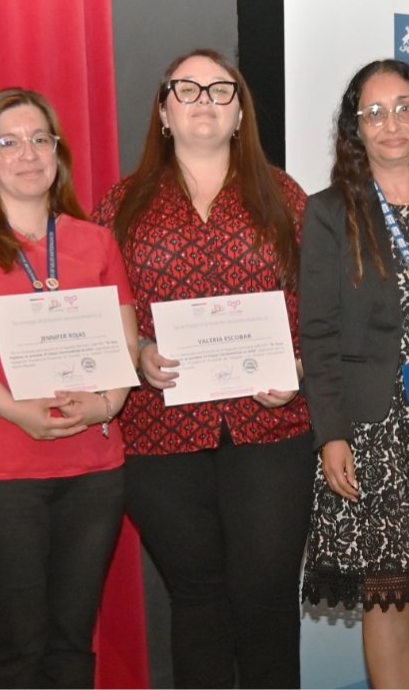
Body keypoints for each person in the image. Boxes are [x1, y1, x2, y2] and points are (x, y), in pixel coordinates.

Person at [94, 49, 313, 689]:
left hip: (272, 429)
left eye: (221, 90)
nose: (204, 101)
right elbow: (99, 310)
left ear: (240, 113)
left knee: (267, 594)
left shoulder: (285, 196)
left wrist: (299, 367)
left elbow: (324, 304)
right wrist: (137, 353)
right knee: (197, 597)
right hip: (160, 434)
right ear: (163, 112)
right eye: (186, 89)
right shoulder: (121, 204)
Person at [0, 87, 138, 688]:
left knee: (71, 647)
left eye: (40, 139)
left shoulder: (96, 241)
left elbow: (124, 346)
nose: (28, 153)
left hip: (91, 474)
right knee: (14, 652)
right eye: (8, 142)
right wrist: (16, 411)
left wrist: (107, 404)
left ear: (58, 153)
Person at [299, 59, 409, 689]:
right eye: (373, 113)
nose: (391, 124)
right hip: (373, 430)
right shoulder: (330, 212)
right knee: (390, 593)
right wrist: (331, 434)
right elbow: (318, 333)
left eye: (404, 107)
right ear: (355, 129)